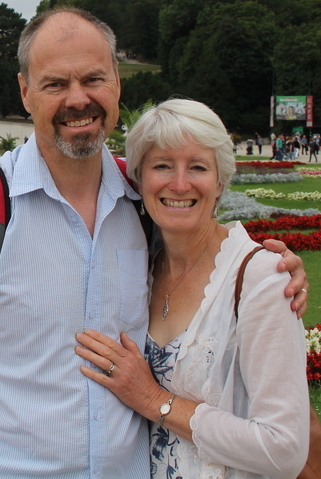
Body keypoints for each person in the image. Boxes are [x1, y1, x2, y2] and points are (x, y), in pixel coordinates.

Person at [0, 8, 308, 478]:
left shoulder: (144, 201)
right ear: (25, 91)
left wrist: (265, 271)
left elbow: (205, 257)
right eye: (55, 84)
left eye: (94, 78)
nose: (78, 99)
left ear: (117, 83)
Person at [75, 99, 309, 478]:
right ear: (139, 178)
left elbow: (283, 449)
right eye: (162, 166)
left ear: (220, 182)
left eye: (197, 167)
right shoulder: (140, 264)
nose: (179, 184)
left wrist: (156, 400)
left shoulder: (261, 280)